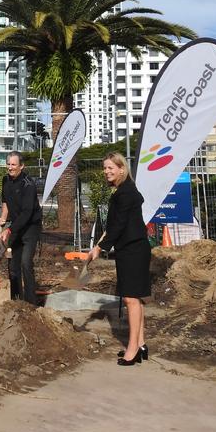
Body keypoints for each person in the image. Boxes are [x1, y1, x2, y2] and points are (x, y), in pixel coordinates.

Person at [87, 152, 151, 366]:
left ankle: (132, 349)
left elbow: (118, 225)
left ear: (122, 169)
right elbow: (113, 225)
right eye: (105, 168)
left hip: (133, 250)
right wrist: (97, 245)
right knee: (135, 298)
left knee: (131, 299)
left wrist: (101, 248)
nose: (106, 172)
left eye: (110, 168)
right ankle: (141, 345)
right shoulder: (124, 191)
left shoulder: (125, 194)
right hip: (130, 249)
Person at [0, 152, 42, 304]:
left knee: (25, 262)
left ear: (21, 166)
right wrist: (3, 217)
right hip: (15, 225)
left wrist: (9, 230)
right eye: (8, 164)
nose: (10, 167)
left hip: (30, 227)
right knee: (13, 264)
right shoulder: (5, 180)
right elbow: (6, 201)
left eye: (13, 164)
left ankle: (30, 304)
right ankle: (15, 301)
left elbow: (27, 213)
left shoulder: (29, 185)